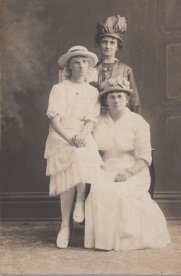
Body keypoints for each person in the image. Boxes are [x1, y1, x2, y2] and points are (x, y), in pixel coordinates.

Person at [84, 78, 171, 251]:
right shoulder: (98, 121)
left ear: (127, 99)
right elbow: (90, 146)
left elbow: (145, 157)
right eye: (112, 97)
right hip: (105, 166)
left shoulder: (137, 122)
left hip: (132, 168)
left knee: (121, 191)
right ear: (106, 100)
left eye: (120, 96)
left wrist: (129, 172)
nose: (116, 100)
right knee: (100, 189)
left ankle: (125, 239)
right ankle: (104, 241)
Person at [44, 46, 102, 249]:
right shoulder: (59, 89)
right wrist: (69, 137)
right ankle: (65, 226)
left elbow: (91, 120)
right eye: (77, 61)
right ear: (69, 65)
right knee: (68, 176)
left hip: (82, 135)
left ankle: (80, 199)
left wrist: (82, 136)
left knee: (81, 156)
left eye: (85, 61)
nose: (81, 65)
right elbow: (55, 120)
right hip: (62, 136)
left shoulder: (93, 91)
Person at [89, 14, 140, 113]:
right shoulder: (92, 69)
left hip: (118, 118)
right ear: (99, 44)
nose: (108, 46)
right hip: (94, 117)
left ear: (117, 46)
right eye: (104, 42)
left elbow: (134, 101)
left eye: (112, 43)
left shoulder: (126, 70)